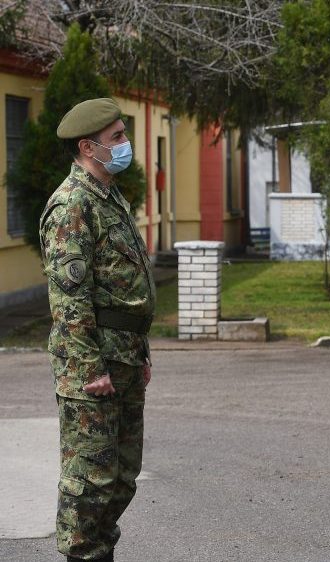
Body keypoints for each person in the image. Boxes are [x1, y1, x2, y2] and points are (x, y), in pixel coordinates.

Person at [42, 97, 155, 562]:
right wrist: (91, 367)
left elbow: (127, 286)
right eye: (118, 138)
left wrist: (142, 353)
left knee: (122, 477)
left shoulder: (108, 197)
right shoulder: (72, 205)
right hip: (93, 365)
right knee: (90, 481)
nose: (127, 144)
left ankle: (100, 553)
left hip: (125, 357)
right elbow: (69, 300)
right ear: (89, 147)